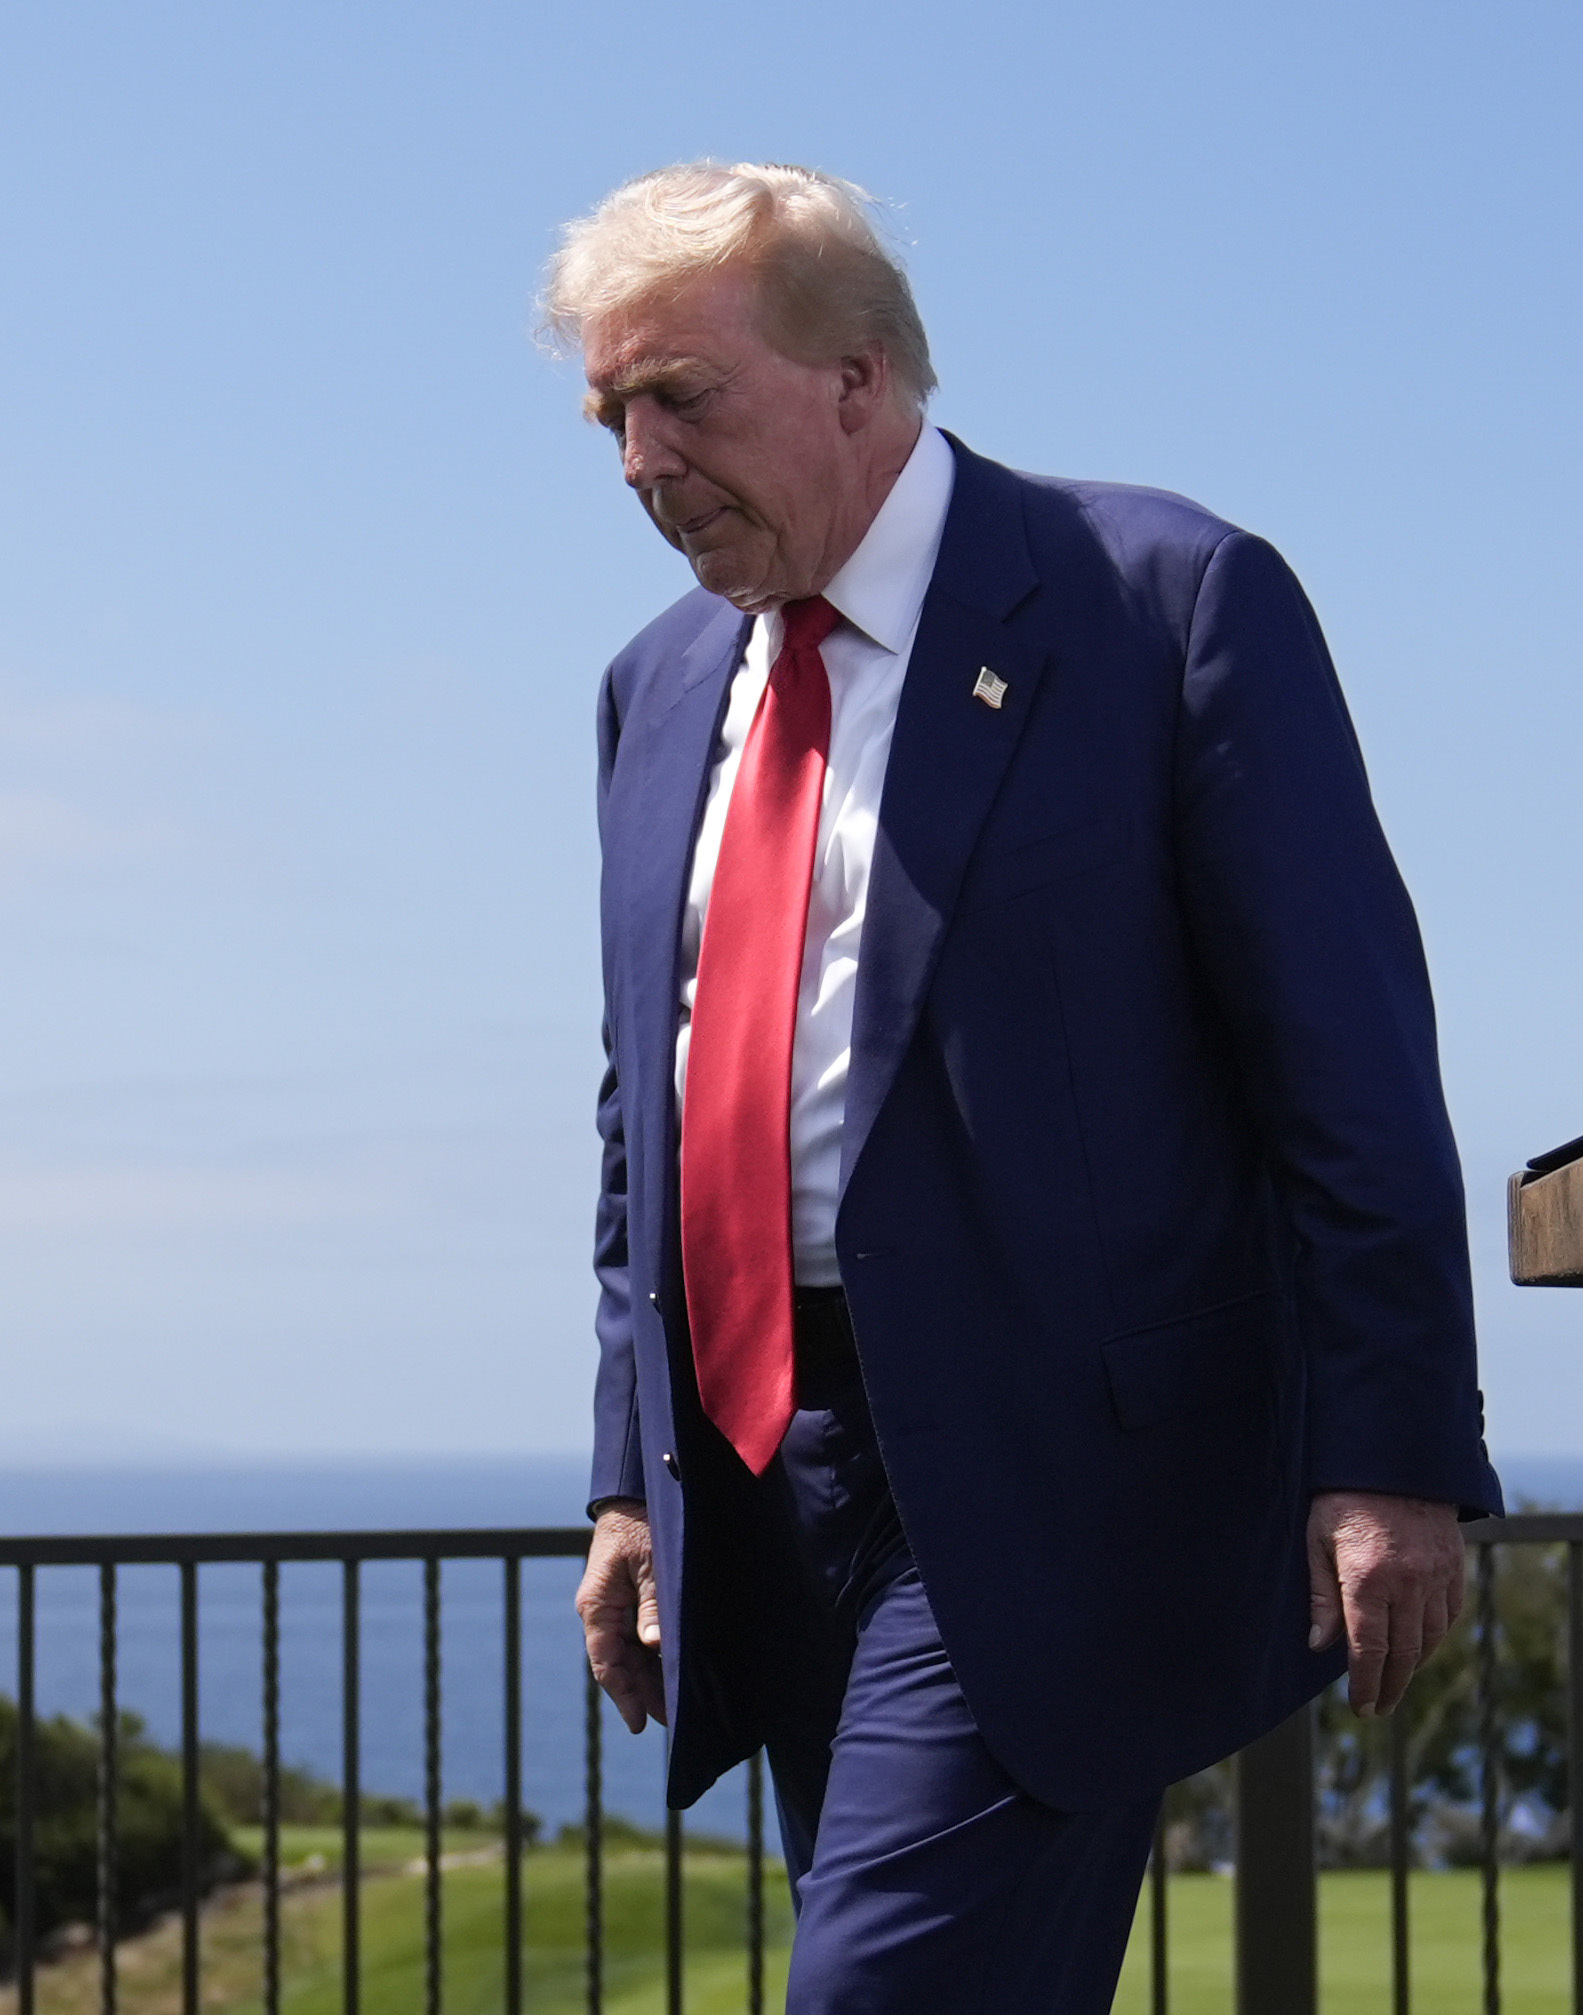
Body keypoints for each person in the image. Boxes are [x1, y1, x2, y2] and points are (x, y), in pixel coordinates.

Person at [544, 161, 1498, 2013]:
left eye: (685, 399)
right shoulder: (651, 690)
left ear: (860, 377)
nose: (641, 463)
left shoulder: (1160, 600)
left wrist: (1389, 1450)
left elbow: (1347, 1056)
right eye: (611, 414)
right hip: (756, 1481)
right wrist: (626, 1475)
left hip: (1049, 1485)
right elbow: (639, 1118)